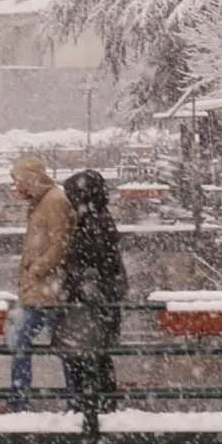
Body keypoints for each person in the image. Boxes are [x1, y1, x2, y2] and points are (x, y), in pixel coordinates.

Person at [0, 157, 76, 413]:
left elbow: (59, 243)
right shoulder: (44, 201)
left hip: (46, 289)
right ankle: (73, 399)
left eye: (18, 180)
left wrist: (38, 269)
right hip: (42, 289)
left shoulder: (53, 202)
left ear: (31, 179)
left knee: (24, 340)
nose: (16, 186)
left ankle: (21, 399)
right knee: (61, 345)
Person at [53, 169, 128, 414]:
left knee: (85, 357)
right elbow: (110, 267)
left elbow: (89, 264)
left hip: (90, 304)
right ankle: (99, 406)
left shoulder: (91, 224)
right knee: (96, 357)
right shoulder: (100, 219)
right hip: (98, 302)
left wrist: (78, 285)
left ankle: (89, 409)